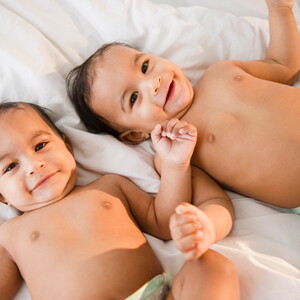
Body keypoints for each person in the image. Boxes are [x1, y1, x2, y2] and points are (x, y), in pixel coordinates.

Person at [66, 0, 300, 210]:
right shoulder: (175, 150)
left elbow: (282, 66)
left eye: (145, 66)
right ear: (136, 135)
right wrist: (202, 223)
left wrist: (280, 10)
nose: (152, 83)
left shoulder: (221, 72)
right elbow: (210, 201)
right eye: (133, 98)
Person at [0, 102, 240, 300]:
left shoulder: (109, 187)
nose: (34, 166)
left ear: (67, 146)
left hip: (150, 295)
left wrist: (175, 165)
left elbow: (164, 222)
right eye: (10, 166)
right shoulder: (9, 234)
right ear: (2, 197)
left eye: (40, 145)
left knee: (211, 265)